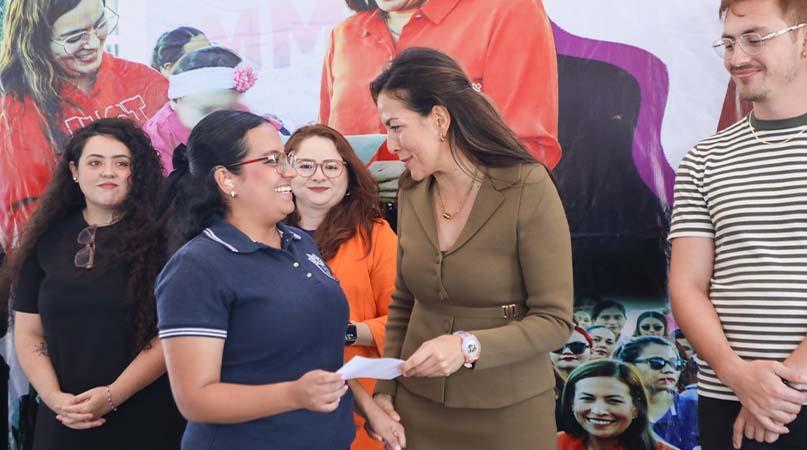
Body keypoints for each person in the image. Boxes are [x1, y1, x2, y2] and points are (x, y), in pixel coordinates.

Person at [155, 110, 402, 450]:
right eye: (273, 161)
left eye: (285, 158)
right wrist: (293, 395)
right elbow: (195, 399)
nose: (288, 171)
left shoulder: (300, 243)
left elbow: (319, 358)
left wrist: (368, 407)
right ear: (227, 179)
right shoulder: (197, 267)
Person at [368, 47, 573, 450]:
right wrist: (385, 390)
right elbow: (404, 303)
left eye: (396, 126)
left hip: (508, 416)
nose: (390, 144)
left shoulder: (526, 186)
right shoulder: (412, 190)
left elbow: (555, 320)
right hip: (418, 410)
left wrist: (468, 346)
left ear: (439, 119)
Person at [669, 1, 807, 449]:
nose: (736, 57)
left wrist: (780, 389)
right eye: (729, 42)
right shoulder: (703, 160)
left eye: (755, 38)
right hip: (728, 399)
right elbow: (687, 285)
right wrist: (739, 377)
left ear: (806, 39)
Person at [2, 118, 184, 449]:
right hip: (62, 421)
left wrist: (112, 396)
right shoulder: (44, 238)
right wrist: (55, 398)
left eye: (121, 163)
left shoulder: (165, 239)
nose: (108, 172)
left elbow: (169, 337)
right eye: (95, 162)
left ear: (136, 173)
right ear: (75, 170)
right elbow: (29, 333)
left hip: (145, 422)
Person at [321, 0, 561, 211]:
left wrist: (429, 189)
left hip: (465, 231)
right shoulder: (343, 36)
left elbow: (527, 152)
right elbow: (322, 147)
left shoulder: (508, 9)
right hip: (355, 233)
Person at [0, 0, 168, 251]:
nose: (92, 42)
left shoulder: (145, 81)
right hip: (76, 256)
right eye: (73, 37)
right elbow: (22, 212)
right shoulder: (18, 111)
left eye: (99, 24)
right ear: (38, 41)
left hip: (157, 244)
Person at [283, 124, 400, 450]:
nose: (318, 175)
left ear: (348, 176)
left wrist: (347, 331)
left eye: (331, 166)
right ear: (285, 172)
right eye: (305, 165)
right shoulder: (263, 235)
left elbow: (404, 321)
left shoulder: (375, 235)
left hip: (360, 407)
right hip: (278, 402)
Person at [144, 46, 255, 173]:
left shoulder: (243, 116)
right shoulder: (158, 138)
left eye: (228, 111)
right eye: (206, 110)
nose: (219, 120)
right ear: (175, 101)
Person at [556, 359, 676, 450]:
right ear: (572, 403)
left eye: (613, 401)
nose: (598, 411)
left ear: (635, 407)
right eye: (587, 399)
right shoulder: (553, 444)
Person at [619, 336, 698, 450]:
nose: (669, 370)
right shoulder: (617, 409)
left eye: (675, 364)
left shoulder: (694, 408)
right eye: (656, 363)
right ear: (629, 366)